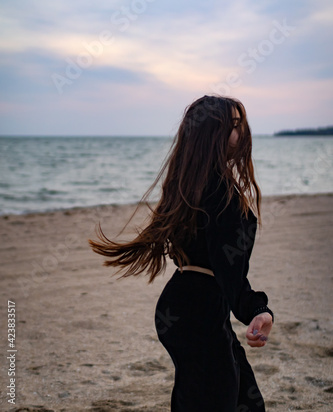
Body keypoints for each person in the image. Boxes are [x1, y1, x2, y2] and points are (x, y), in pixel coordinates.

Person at [88, 95, 274, 411]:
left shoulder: (189, 186)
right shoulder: (221, 194)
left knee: (242, 397)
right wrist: (257, 309)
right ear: (214, 134)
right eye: (234, 125)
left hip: (185, 306)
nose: (243, 131)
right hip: (199, 311)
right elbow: (228, 270)